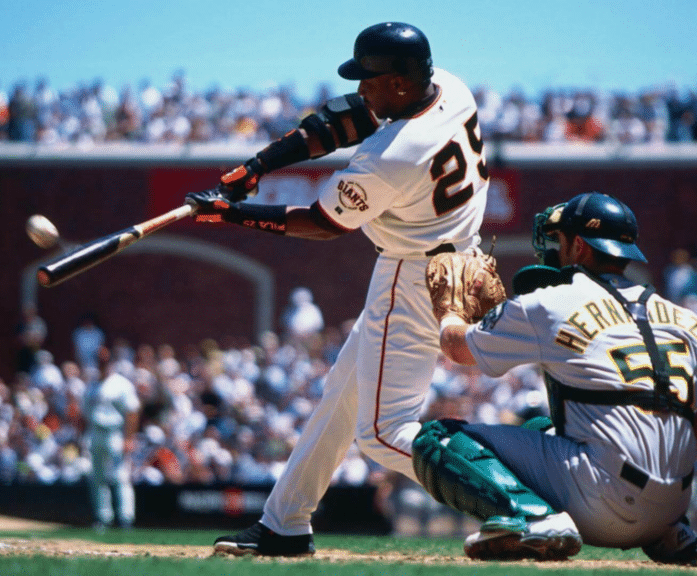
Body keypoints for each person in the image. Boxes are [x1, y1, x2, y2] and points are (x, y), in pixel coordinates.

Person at [189, 22, 489, 556]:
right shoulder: (450, 86)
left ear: (399, 82)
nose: (363, 89)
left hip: (415, 274)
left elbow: (323, 223)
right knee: (342, 397)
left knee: (382, 432)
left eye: (372, 80)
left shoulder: (393, 154)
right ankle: (285, 523)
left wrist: (230, 215)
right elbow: (346, 117)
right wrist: (259, 166)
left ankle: (523, 500)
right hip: (455, 263)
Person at [411, 192, 697, 562]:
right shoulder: (682, 316)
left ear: (578, 245)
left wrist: (448, 310)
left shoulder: (551, 301)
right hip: (675, 505)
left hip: (602, 502)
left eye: (559, 241)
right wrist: (664, 456)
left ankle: (534, 517)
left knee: (437, 439)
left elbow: (457, 348)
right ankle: (669, 533)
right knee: (542, 426)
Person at [82, 346, 141, 530]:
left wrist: (129, 438)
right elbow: (84, 413)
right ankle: (103, 518)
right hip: (95, 432)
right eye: (99, 361)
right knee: (98, 477)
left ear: (111, 362)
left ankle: (125, 518)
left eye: (105, 361)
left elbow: (132, 412)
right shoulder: (92, 385)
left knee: (120, 476)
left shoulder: (121, 384)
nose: (102, 364)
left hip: (115, 432)